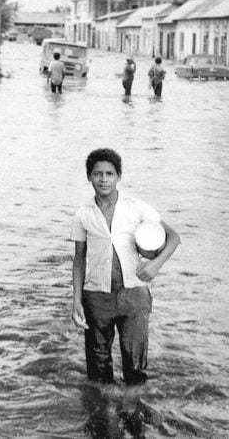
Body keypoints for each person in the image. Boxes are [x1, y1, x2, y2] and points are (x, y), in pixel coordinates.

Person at [71, 148, 180, 386]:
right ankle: (100, 416)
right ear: (89, 177)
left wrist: (155, 264)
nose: (103, 179)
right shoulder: (83, 214)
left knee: (136, 367)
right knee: (98, 370)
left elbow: (173, 237)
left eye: (109, 173)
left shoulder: (136, 207)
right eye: (97, 174)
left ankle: (134, 414)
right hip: (97, 298)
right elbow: (79, 258)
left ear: (118, 176)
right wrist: (76, 301)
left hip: (134, 297)